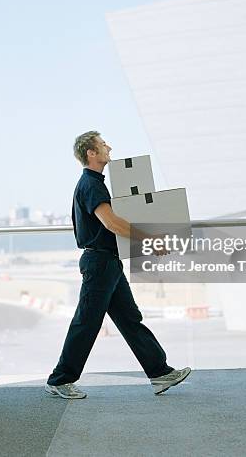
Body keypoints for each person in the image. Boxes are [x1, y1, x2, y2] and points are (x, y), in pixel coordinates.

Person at [45, 131, 191, 399]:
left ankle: (159, 373)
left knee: (130, 319)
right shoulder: (91, 184)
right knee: (87, 322)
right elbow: (111, 223)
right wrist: (150, 240)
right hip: (99, 263)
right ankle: (60, 379)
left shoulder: (95, 183)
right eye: (102, 145)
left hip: (108, 263)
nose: (108, 147)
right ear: (91, 153)